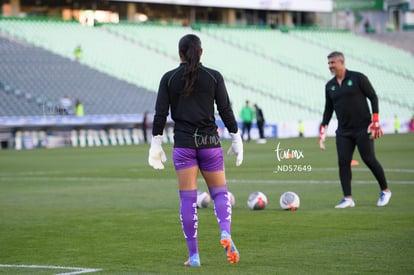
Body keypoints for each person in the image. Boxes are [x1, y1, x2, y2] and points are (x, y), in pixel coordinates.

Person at [148, 34, 243, 267]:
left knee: (188, 200)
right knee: (220, 193)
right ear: (201, 52)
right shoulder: (213, 76)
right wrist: (236, 137)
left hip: (184, 145)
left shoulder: (169, 79)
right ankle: (225, 233)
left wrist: (156, 143)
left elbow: (160, 113)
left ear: (180, 53)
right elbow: (225, 110)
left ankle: (194, 256)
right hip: (210, 143)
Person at [319, 51, 391, 209]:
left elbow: (373, 97)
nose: (330, 66)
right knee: (343, 163)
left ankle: (385, 191)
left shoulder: (358, 78)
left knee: (369, 159)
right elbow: (328, 109)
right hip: (343, 131)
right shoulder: (329, 86)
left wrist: (375, 120)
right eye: (329, 63)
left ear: (341, 62)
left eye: (333, 63)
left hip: (363, 128)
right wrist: (323, 127)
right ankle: (348, 198)